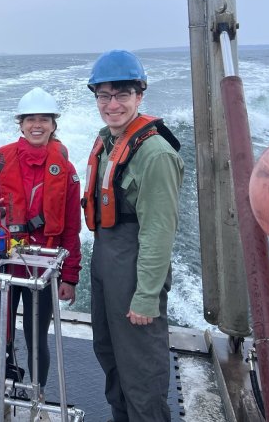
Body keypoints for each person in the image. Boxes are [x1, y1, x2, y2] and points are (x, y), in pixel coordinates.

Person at [82, 49, 184, 422]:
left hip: (136, 271)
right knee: (109, 356)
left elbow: (159, 232)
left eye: (122, 94)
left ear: (140, 96)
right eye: (104, 95)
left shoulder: (154, 154)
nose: (112, 104)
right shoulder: (107, 144)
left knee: (141, 371)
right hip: (106, 262)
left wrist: (146, 297)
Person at [0, 87, 82, 408]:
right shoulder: (2, 159)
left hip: (43, 269)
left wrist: (70, 277)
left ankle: (38, 400)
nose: (38, 125)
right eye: (31, 119)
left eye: (44, 119)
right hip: (4, 264)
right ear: (20, 124)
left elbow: (72, 228)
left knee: (37, 341)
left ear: (53, 125)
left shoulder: (66, 169)